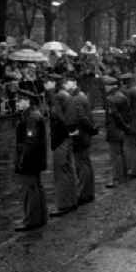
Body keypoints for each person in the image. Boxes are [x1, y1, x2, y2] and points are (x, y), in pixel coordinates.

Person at [13, 89, 48, 231]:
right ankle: (40, 217)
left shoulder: (31, 117)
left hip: (30, 160)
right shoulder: (31, 115)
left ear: (27, 101)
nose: (17, 103)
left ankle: (31, 220)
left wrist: (21, 161)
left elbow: (30, 142)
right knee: (36, 188)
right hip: (35, 159)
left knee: (30, 190)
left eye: (19, 100)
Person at [48, 74, 78, 217]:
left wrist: (50, 96)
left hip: (60, 138)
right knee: (68, 170)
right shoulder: (65, 96)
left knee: (61, 172)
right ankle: (72, 200)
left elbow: (59, 117)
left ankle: (64, 204)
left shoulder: (59, 97)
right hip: (66, 137)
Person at [66, 73, 96, 205]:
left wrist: (76, 134)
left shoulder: (76, 99)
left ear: (73, 83)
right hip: (84, 135)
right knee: (86, 164)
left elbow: (82, 118)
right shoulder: (81, 96)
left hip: (80, 135)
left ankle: (84, 193)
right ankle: (88, 192)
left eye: (67, 83)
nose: (65, 86)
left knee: (82, 166)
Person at [103, 76, 130, 188]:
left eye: (106, 85)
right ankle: (123, 176)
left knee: (115, 155)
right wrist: (126, 127)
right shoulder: (123, 97)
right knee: (121, 153)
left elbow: (115, 115)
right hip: (121, 129)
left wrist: (122, 126)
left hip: (114, 129)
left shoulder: (110, 99)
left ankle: (116, 178)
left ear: (112, 86)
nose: (105, 87)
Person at [120, 73, 136, 178]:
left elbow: (127, 109)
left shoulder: (128, 92)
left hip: (131, 123)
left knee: (131, 147)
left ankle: (134, 170)